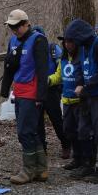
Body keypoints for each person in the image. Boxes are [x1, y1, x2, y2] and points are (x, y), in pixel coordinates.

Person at [64, 20, 98, 184]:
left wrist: (87, 85)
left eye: (73, 39)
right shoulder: (82, 48)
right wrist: (80, 83)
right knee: (84, 130)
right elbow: (79, 68)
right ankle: (88, 164)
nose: (71, 43)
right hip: (88, 95)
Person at [0, 10, 49, 183]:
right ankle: (41, 168)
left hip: (33, 92)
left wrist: (41, 96)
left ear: (26, 23)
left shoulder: (38, 40)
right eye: (11, 27)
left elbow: (43, 70)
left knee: (25, 132)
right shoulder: (13, 41)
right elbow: (9, 66)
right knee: (31, 131)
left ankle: (28, 169)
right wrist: (4, 89)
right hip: (19, 90)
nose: (14, 30)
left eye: (17, 26)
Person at [48, 35, 92, 172]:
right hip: (66, 101)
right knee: (69, 131)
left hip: (80, 102)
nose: (68, 44)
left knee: (83, 132)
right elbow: (58, 76)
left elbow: (88, 76)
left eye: (71, 41)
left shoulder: (82, 59)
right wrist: (47, 80)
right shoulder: (64, 59)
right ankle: (77, 158)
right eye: (66, 41)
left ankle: (86, 161)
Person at [33, 26, 71, 159]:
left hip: (51, 89)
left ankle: (66, 144)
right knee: (37, 122)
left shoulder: (53, 49)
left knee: (56, 119)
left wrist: (52, 82)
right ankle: (42, 148)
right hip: (35, 90)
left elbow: (61, 67)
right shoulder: (31, 51)